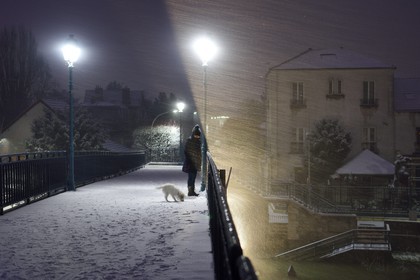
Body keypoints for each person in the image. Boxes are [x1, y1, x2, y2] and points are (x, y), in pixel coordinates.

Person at [182, 124, 202, 196]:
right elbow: (187, 151)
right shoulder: (195, 142)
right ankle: (190, 191)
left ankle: (191, 190)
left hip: (192, 163)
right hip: (191, 163)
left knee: (192, 177)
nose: (197, 137)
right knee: (191, 177)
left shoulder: (191, 141)